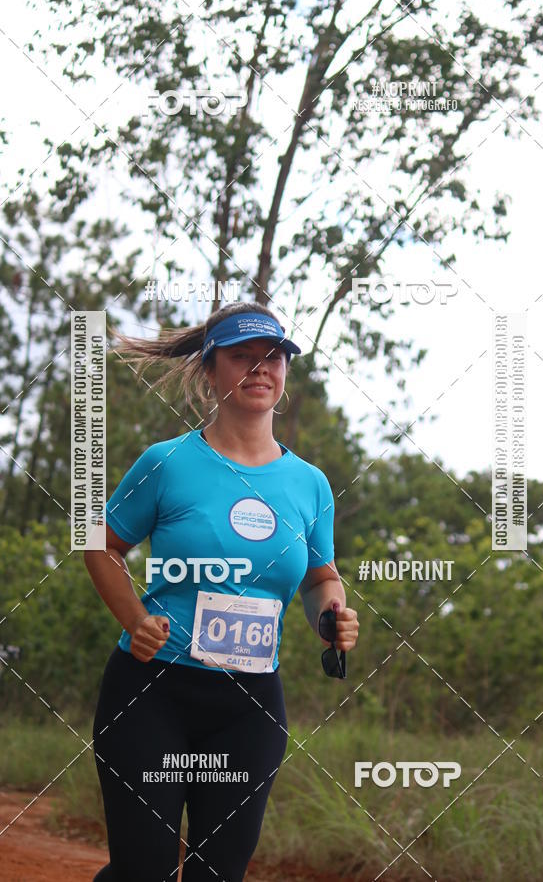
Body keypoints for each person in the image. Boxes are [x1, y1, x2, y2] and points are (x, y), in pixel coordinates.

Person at [84, 300, 359, 882]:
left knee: (219, 873)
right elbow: (101, 545)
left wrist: (332, 613)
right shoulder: (169, 463)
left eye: (274, 357)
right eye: (243, 357)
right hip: (151, 691)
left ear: (285, 372)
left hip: (250, 706)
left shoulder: (310, 484)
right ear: (211, 370)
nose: (262, 368)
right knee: (144, 868)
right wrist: (134, 618)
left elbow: (318, 577)